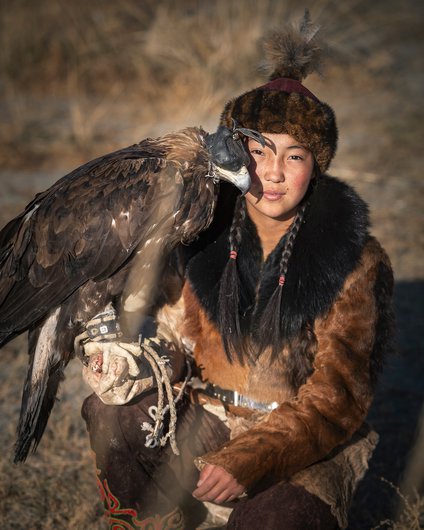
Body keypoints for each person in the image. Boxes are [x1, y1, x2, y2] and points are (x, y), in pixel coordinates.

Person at [80, 14, 394, 530]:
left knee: (280, 517)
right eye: (259, 149)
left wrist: (249, 460)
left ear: (317, 164)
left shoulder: (355, 258)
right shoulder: (202, 232)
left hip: (298, 448)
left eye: (294, 155)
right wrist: (140, 364)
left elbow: (337, 399)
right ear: (237, 153)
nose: (272, 172)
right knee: (113, 413)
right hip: (209, 419)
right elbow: (177, 339)